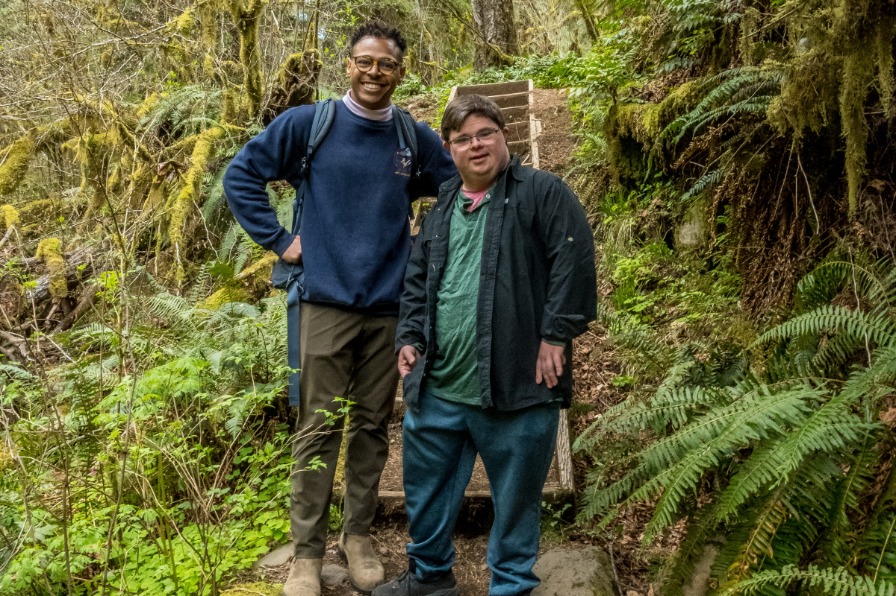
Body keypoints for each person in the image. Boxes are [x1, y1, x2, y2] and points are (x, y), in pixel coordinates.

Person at [223, 22, 456, 596]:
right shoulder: (311, 125)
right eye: (365, 61)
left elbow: (453, 185)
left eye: (387, 65)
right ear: (347, 64)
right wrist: (280, 240)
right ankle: (306, 553)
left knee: (372, 427)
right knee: (316, 427)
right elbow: (241, 174)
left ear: (401, 71)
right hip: (323, 301)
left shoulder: (411, 137)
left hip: (388, 306)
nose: (375, 72)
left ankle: (357, 537)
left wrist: (424, 239)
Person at [377, 94, 597, 596]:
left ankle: (511, 585)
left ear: (504, 136)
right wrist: (409, 338)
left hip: (519, 384)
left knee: (517, 498)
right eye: (462, 139)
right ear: (449, 149)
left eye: (485, 134)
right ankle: (430, 578)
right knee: (426, 492)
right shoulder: (444, 205)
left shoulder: (542, 191)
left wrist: (555, 334)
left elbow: (574, 262)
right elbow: (417, 281)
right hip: (440, 387)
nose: (475, 145)